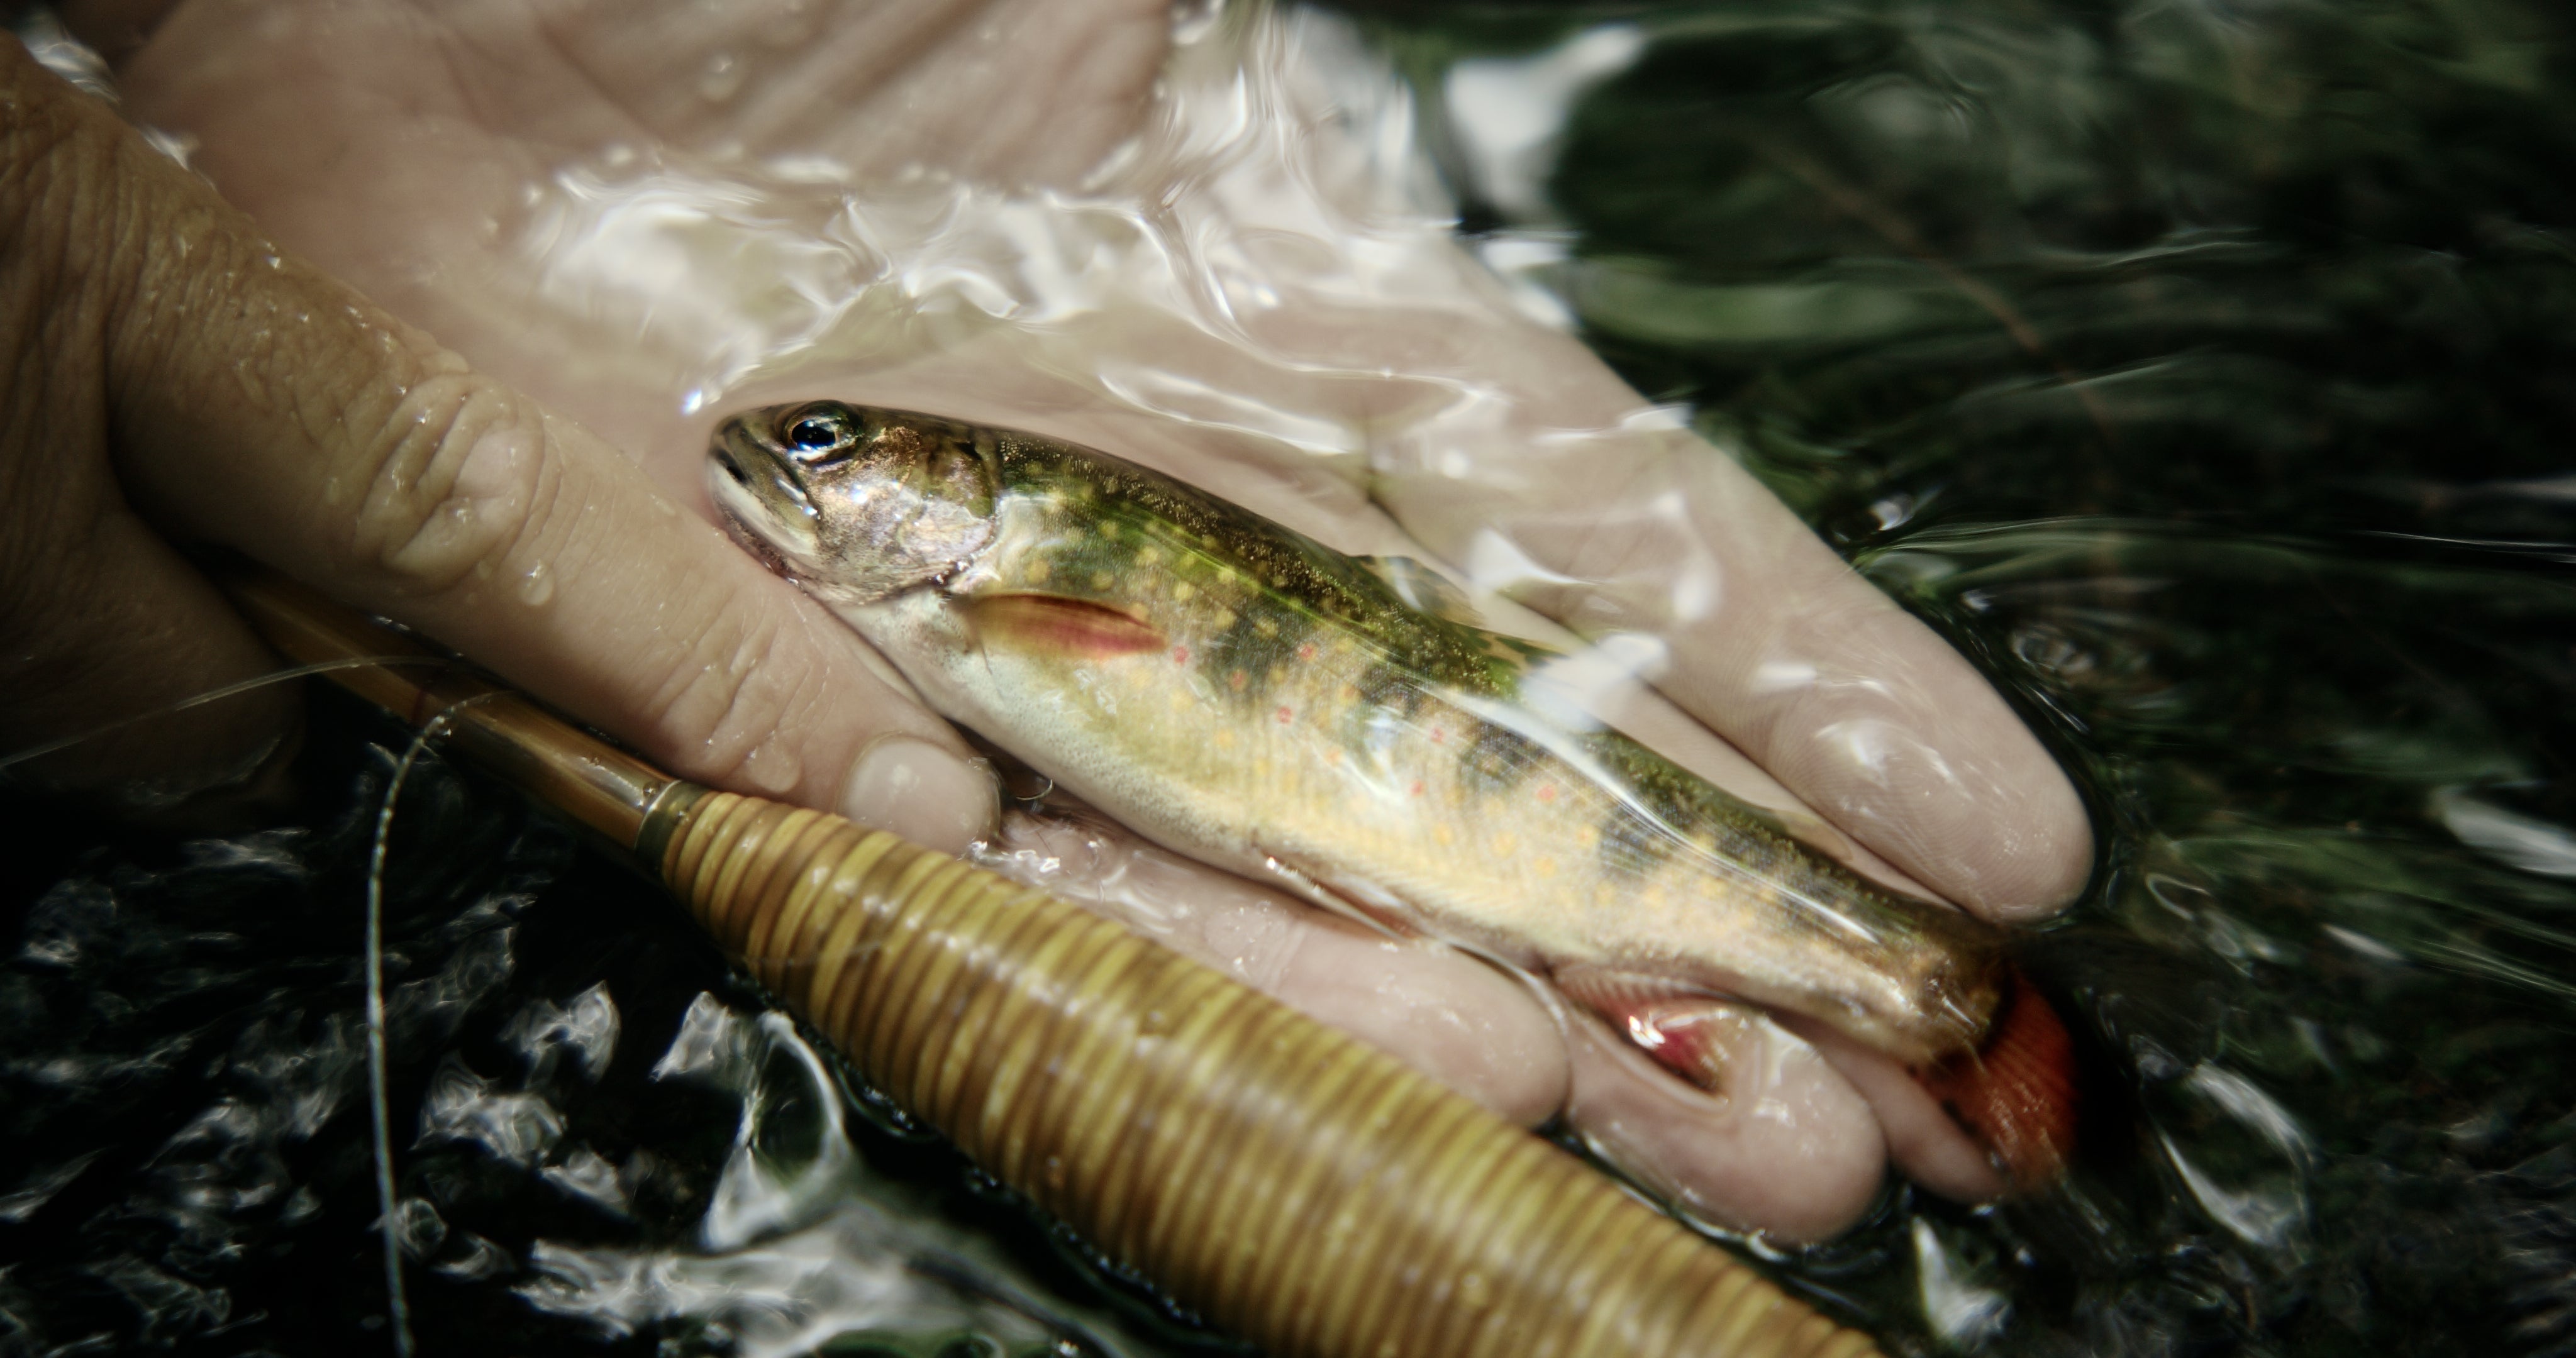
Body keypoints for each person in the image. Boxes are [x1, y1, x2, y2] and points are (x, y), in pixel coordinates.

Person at [0, 0, 2092, 1241]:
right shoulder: (984, 573)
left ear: (954, 506)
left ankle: (1922, 977)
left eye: (827, 449)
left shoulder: (1004, 575)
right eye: (815, 447)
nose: (790, 463)